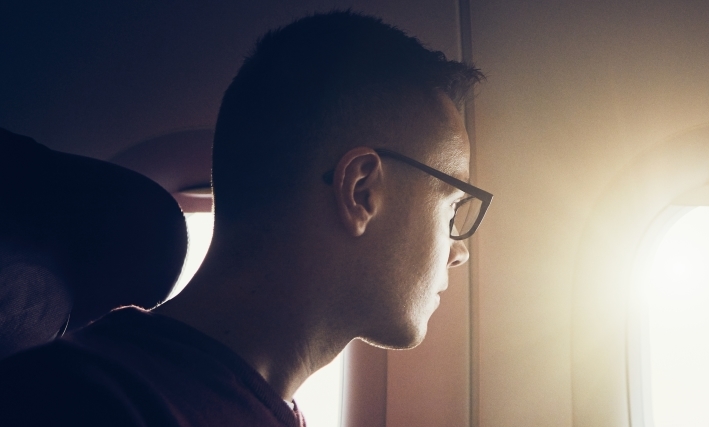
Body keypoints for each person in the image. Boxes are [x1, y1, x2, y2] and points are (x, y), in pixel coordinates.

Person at [0, 10, 488, 426]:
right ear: (361, 191)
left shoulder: (245, 402)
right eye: (450, 206)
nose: (459, 250)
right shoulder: (84, 404)